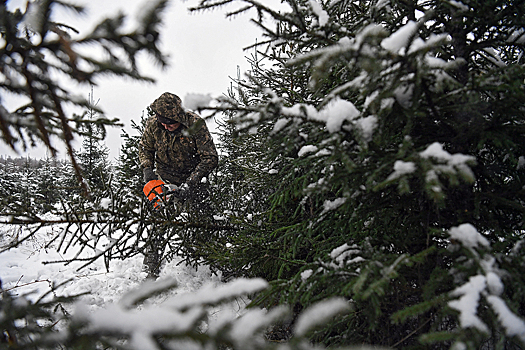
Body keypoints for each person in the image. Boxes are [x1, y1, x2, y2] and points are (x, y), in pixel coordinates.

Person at [138, 92, 218, 278]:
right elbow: (145, 148)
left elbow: (210, 158)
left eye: (170, 123)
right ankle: (151, 267)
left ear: (179, 118)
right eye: (162, 122)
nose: (166, 126)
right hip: (165, 177)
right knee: (158, 220)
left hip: (195, 177)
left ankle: (210, 263)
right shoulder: (153, 125)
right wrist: (147, 169)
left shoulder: (195, 125)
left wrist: (191, 183)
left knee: (203, 219)